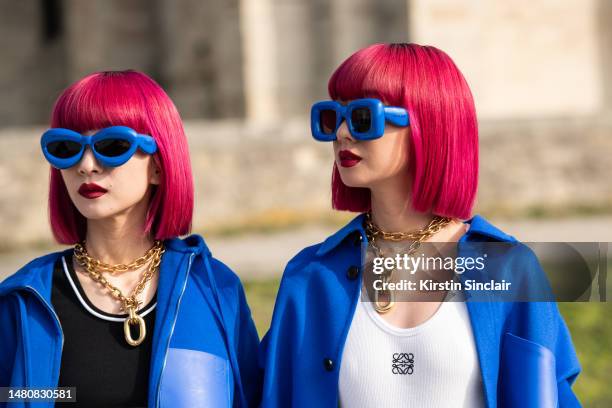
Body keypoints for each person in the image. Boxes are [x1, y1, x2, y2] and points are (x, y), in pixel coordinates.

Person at [260, 43, 581, 407]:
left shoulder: (509, 268)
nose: (343, 133)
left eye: (364, 117)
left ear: (430, 123)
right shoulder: (310, 276)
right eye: (333, 117)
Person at [0, 70, 261, 407]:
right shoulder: (24, 301)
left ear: (158, 166)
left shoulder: (215, 289)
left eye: (112, 145)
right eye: (66, 147)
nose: (87, 164)